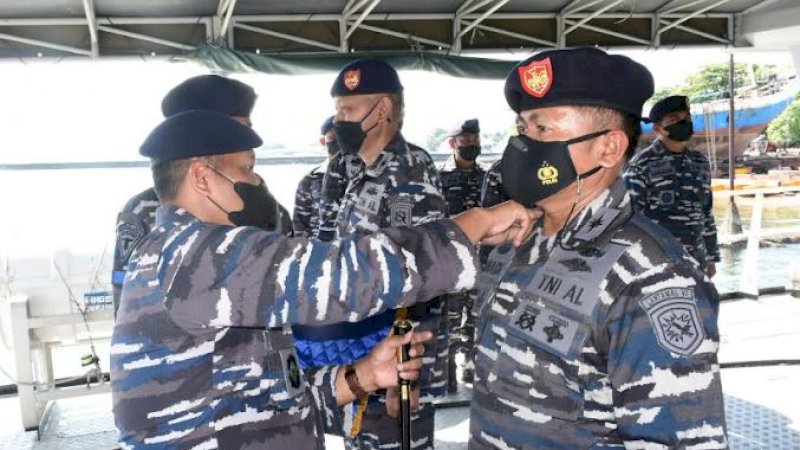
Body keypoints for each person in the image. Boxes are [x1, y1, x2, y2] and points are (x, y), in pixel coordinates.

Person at [111, 109, 537, 449]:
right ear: (202, 178)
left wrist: (361, 377)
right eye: (246, 169)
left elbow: (264, 394)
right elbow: (343, 276)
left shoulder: (195, 256)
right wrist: (475, 223)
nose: (257, 181)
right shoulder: (193, 255)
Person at [469, 48, 728, 449]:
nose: (523, 145)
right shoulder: (515, 242)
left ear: (608, 148)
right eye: (523, 129)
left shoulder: (651, 275)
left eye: (543, 131)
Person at [298, 59, 447, 450]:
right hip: (358, 350)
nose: (338, 120)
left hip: (394, 352)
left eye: (348, 110)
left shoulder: (409, 171)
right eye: (337, 110)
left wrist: (407, 374)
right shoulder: (348, 168)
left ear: (381, 110)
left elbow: (422, 277)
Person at [111, 74, 291, 316]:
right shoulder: (143, 210)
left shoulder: (266, 207)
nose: (248, 138)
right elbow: (127, 305)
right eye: (237, 128)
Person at [623, 95, 720, 278]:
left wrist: (711, 256)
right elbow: (629, 220)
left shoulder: (700, 162)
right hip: (656, 264)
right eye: (674, 120)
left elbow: (706, 212)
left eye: (686, 118)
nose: (683, 122)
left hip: (696, 261)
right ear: (658, 128)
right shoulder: (642, 165)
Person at [438, 118, 486, 390]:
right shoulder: (437, 176)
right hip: (449, 263)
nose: (471, 145)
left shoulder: (485, 177)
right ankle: (446, 374)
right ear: (452, 143)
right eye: (465, 141)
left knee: (476, 317)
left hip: (479, 262)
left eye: (475, 140)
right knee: (449, 317)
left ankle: (470, 368)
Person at [292, 115, 338, 237]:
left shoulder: (367, 176)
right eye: (333, 136)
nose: (339, 141)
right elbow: (299, 227)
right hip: (320, 252)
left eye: (344, 136)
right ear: (323, 142)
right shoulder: (310, 180)